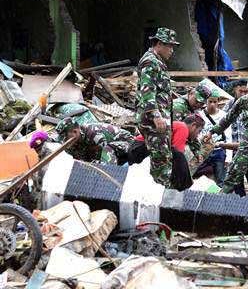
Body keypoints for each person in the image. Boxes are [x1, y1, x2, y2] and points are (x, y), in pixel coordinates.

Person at [134, 27, 179, 187]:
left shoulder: (156, 62)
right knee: (161, 161)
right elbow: (147, 90)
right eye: (170, 46)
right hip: (154, 122)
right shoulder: (151, 62)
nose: (172, 50)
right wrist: (156, 115)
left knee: (161, 158)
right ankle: (159, 199)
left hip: (157, 120)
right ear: (159, 43)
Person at [131, 113, 210, 191]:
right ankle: (185, 188)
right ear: (193, 126)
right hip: (141, 148)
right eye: (199, 131)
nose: (197, 135)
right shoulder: (183, 128)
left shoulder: (178, 125)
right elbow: (177, 155)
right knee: (179, 157)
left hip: (141, 148)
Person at [224, 79, 248, 197]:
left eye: (246, 91)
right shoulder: (229, 106)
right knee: (237, 182)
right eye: (241, 91)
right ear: (235, 90)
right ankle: (241, 206)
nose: (243, 94)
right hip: (234, 150)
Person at [55, 117, 134, 164]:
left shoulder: (94, 133)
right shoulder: (71, 143)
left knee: (107, 149)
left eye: (66, 137)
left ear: (75, 131)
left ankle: (110, 179)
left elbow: (105, 155)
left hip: (128, 145)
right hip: (109, 153)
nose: (64, 141)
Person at [197, 89, 232, 186]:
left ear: (218, 102)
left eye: (215, 102)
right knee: (194, 174)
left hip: (219, 150)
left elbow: (228, 136)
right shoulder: (200, 115)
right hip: (203, 150)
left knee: (221, 180)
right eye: (210, 101)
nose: (212, 104)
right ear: (206, 102)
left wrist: (228, 157)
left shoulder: (223, 116)